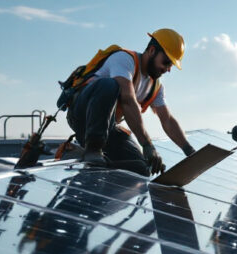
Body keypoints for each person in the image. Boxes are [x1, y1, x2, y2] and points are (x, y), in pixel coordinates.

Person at [65, 29, 195, 175]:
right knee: (109, 85)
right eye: (166, 62)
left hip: (109, 127)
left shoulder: (156, 87)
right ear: (152, 50)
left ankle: (102, 163)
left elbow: (167, 120)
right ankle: (93, 150)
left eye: (171, 65)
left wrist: (190, 151)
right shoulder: (124, 60)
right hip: (82, 114)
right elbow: (128, 100)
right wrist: (147, 145)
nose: (167, 69)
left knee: (142, 168)